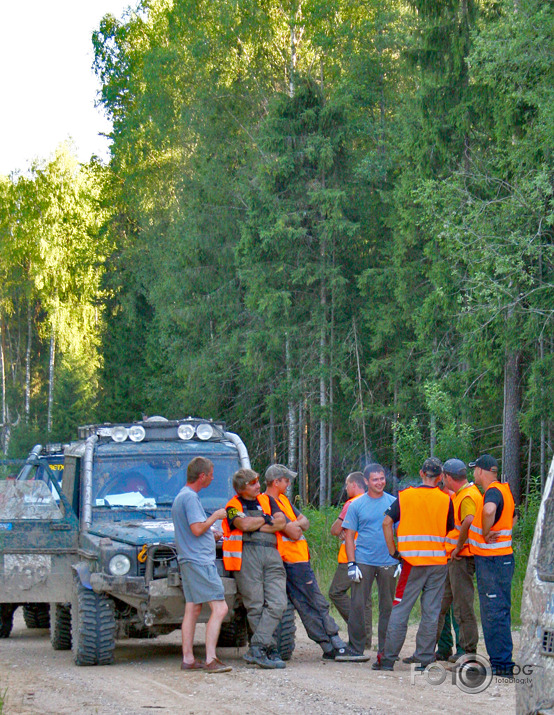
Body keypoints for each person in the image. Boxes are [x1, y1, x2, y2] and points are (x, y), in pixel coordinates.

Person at [374, 457, 454, 671]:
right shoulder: (446, 500)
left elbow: (386, 522)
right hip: (438, 562)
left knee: (400, 609)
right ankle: (425, 658)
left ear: (421, 473)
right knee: (431, 610)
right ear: (440, 478)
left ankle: (388, 659)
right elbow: (450, 529)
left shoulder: (405, 496)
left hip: (411, 562)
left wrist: (393, 551)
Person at [264, 464, 348, 660]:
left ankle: (328, 645)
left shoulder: (283, 500)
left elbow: (305, 522)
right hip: (290, 561)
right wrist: (295, 526)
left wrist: (294, 525)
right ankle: (334, 641)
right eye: (286, 481)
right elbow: (294, 532)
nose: (288, 484)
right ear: (276, 482)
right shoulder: (268, 502)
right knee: (315, 601)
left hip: (297, 560)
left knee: (307, 603)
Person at [223, 467, 288, 669]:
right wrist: (266, 519)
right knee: (255, 605)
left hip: (272, 553)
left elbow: (281, 522)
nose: (258, 486)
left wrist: (257, 523)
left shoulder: (268, 500)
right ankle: (269, 650)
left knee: (278, 603)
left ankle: (257, 647)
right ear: (242, 488)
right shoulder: (232, 506)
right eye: (253, 483)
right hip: (246, 556)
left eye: (258, 482)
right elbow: (242, 524)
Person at [171, 456, 231, 673]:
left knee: (193, 608)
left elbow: (195, 530)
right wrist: (215, 516)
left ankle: (188, 658)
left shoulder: (181, 496)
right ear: (202, 476)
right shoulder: (190, 498)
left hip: (188, 559)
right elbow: (196, 529)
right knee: (220, 607)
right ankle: (211, 659)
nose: (213, 478)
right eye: (211, 474)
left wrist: (209, 535)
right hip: (199, 561)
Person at [335, 464, 398, 662]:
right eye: (375, 479)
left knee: (388, 606)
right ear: (367, 482)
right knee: (358, 605)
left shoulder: (394, 502)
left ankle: (386, 650)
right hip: (363, 561)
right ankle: (356, 647)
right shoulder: (356, 505)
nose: (379, 482)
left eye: (382, 478)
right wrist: (352, 564)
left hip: (388, 561)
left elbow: (401, 532)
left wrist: (400, 559)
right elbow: (349, 536)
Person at [467, 454, 516, 676]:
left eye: (475, 470)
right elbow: (513, 516)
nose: (473, 474)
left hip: (492, 560)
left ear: (480, 471)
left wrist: (487, 533)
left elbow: (488, 511)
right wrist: (505, 533)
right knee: (500, 609)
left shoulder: (493, 492)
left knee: (493, 611)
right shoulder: (505, 489)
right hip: (502, 558)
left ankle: (501, 664)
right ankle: (501, 660)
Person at [436, 458, 480, 663]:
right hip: (455, 558)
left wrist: (459, 546)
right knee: (443, 604)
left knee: (463, 607)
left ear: (448, 477)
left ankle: (467, 653)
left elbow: (468, 520)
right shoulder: (462, 494)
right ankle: (439, 649)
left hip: (462, 558)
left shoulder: (467, 496)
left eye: (443, 476)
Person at [328, 471, 371, 635]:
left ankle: (357, 628)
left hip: (349, 556)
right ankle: (366, 638)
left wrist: (341, 530)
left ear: (354, 484)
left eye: (347, 485)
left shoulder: (352, 503)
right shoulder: (372, 501)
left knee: (336, 592)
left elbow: (335, 529)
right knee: (364, 598)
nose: (346, 488)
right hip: (368, 556)